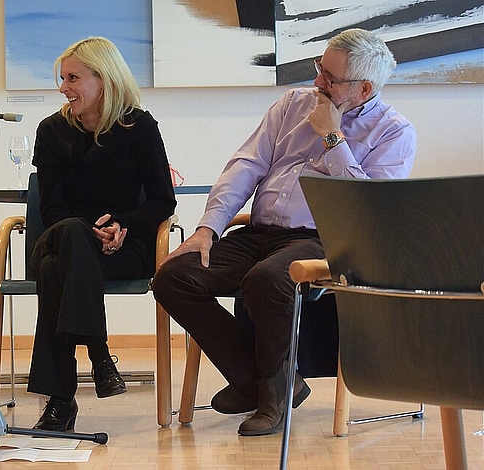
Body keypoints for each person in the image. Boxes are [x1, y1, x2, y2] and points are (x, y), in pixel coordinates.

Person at [151, 28, 416, 436]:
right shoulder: (291, 104)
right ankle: (258, 381)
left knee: (269, 279)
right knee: (173, 276)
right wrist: (208, 228)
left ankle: (272, 401)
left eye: (330, 78)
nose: (317, 83)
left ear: (364, 88)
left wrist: (332, 137)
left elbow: (365, 209)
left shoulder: (394, 132)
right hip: (259, 233)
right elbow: (246, 165)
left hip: (326, 238)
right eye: (319, 69)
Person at [27, 37, 176, 432]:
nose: (63, 88)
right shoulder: (52, 130)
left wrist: (123, 226)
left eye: (73, 77)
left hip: (120, 247)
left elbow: (162, 202)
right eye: (62, 78)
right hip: (61, 237)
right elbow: (52, 211)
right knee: (72, 235)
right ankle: (99, 354)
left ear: (104, 79)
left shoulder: (140, 128)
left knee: (53, 271)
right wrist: (92, 231)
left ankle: (60, 404)